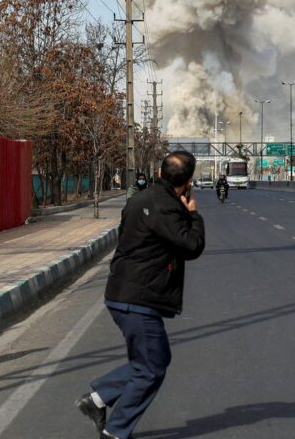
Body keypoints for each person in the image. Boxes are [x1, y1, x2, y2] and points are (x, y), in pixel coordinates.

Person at [76, 151, 205, 439]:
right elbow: (191, 245)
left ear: (159, 174)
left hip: (121, 291)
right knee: (151, 369)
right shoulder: (168, 208)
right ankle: (115, 431)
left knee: (153, 360)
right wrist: (193, 213)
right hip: (139, 299)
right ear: (188, 182)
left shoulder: (139, 199)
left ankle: (97, 399)